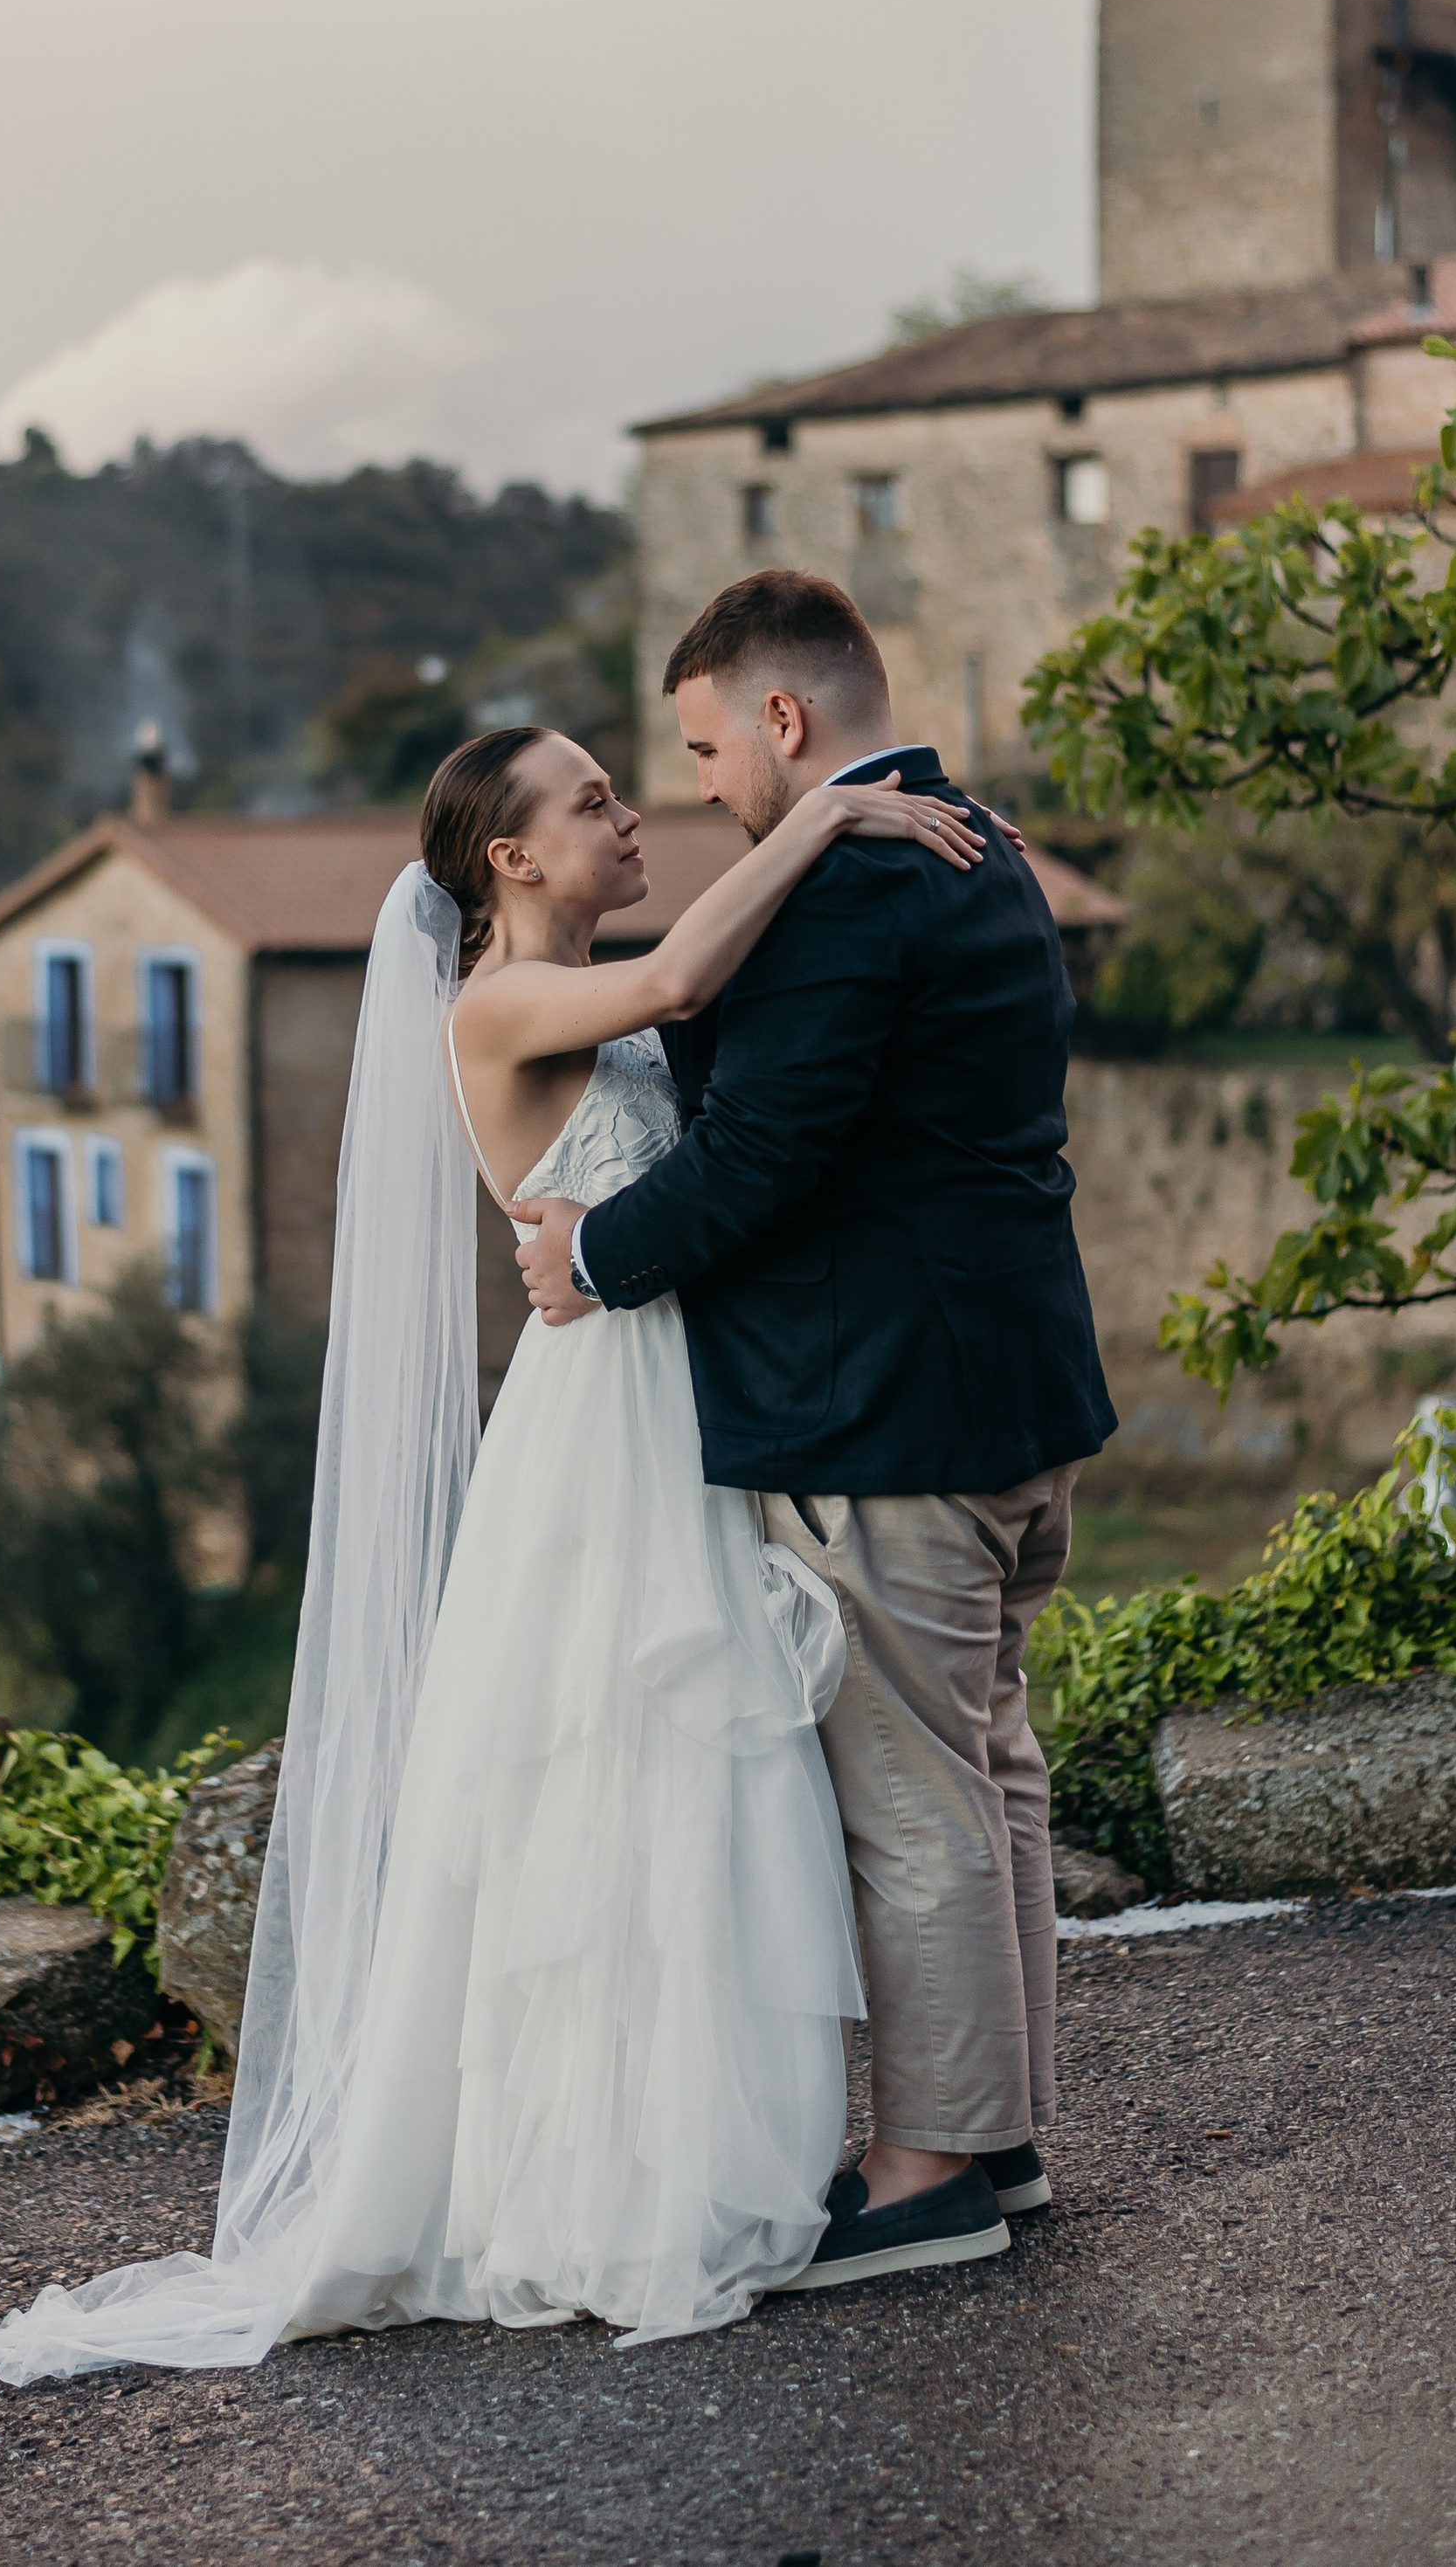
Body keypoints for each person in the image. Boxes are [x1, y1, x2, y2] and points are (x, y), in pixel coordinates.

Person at [0, 721, 983, 2381]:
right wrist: (833, 818)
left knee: (684, 1792)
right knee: (601, 1783)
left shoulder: (590, 975)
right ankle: (597, 2191)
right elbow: (695, 985)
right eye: (592, 801)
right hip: (597, 1437)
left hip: (672, 1409)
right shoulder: (492, 1000)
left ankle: (693, 2157)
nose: (631, 813)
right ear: (509, 858)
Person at [516, 567, 1115, 2285]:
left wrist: (595, 1256)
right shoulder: (978, 845)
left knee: (913, 1796)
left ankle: (925, 2166)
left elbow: (762, 1155)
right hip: (1009, 1389)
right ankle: (991, 2135)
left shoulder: (846, 892)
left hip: (887, 1417)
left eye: (705, 746)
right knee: (987, 1764)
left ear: (783, 718)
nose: (703, 784)